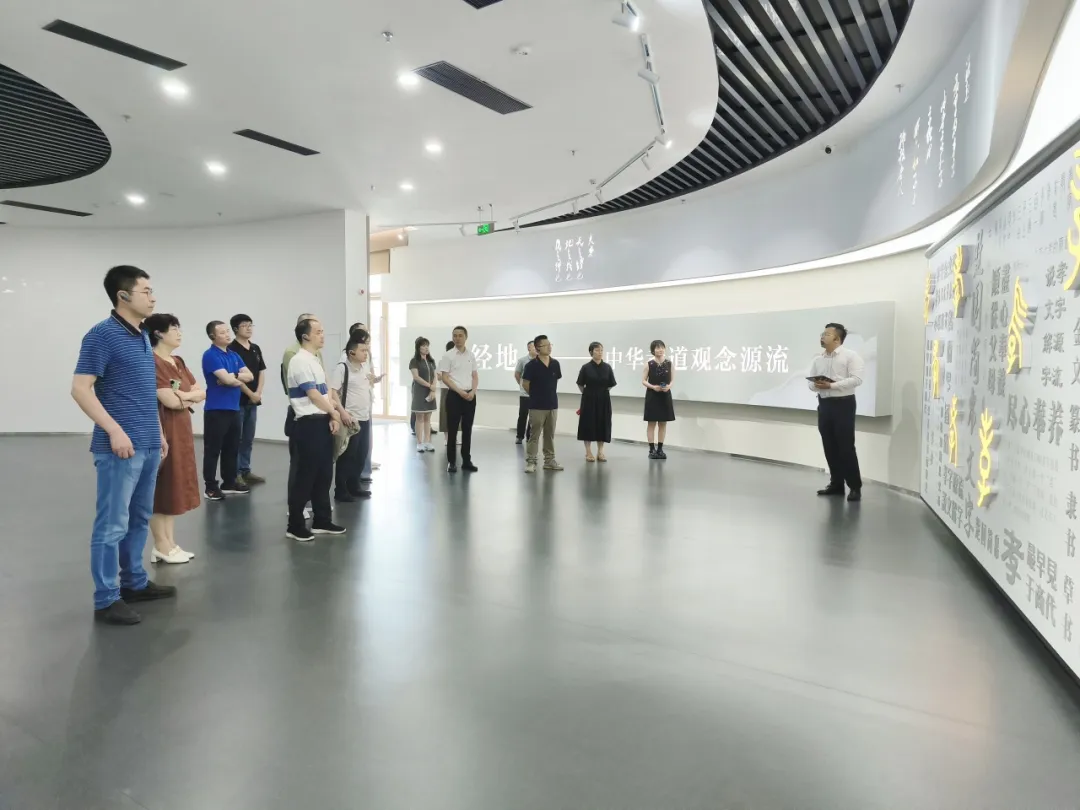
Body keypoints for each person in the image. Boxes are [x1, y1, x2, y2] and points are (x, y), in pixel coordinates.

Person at [70, 265, 176, 625]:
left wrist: (159, 432)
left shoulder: (142, 335)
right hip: (119, 448)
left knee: (139, 518)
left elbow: (145, 392)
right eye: (147, 291)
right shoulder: (101, 335)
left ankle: (134, 582)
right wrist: (114, 430)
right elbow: (80, 389)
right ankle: (106, 598)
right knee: (112, 525)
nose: (153, 298)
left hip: (148, 443)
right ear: (123, 296)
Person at [144, 314, 204, 564]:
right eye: (174, 328)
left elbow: (200, 392)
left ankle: (170, 542)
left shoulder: (178, 361)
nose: (179, 333)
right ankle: (160, 544)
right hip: (163, 428)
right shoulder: (152, 361)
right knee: (162, 486)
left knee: (175, 484)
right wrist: (185, 397)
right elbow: (168, 400)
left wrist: (183, 397)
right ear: (159, 333)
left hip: (181, 428)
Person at [286, 318, 346, 541]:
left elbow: (325, 391)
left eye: (323, 331)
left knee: (323, 474)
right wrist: (334, 413)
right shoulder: (299, 361)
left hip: (321, 421)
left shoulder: (315, 360)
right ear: (305, 336)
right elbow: (312, 394)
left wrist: (330, 415)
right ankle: (295, 525)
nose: (323, 335)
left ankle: (322, 520)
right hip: (307, 424)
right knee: (304, 476)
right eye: (318, 332)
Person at [810, 322, 865, 502]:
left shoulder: (851, 356)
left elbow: (857, 379)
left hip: (843, 405)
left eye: (827, 334)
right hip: (824, 405)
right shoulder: (818, 359)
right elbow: (810, 384)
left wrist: (831, 386)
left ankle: (855, 487)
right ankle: (836, 484)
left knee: (846, 447)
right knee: (829, 446)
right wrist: (817, 385)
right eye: (822, 333)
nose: (822, 336)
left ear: (837, 338)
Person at [202, 321, 253, 500]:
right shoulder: (210, 355)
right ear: (212, 336)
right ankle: (210, 487)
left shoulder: (233, 355)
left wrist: (233, 376)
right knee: (213, 450)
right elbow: (227, 380)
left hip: (233, 408)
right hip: (216, 410)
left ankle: (229, 482)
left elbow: (250, 376)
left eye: (227, 331)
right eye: (222, 332)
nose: (227, 334)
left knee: (232, 448)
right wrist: (232, 379)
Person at [329, 336, 371, 502]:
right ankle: (341, 489)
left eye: (366, 350)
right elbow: (333, 392)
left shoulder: (363, 367)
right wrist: (342, 413)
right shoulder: (342, 368)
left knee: (361, 454)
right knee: (347, 456)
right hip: (350, 419)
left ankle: (354, 486)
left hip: (364, 417)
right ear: (352, 353)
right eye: (363, 350)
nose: (366, 353)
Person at [228, 313, 267, 486]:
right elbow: (234, 377)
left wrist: (258, 392)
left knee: (248, 438)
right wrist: (250, 394)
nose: (249, 328)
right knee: (236, 438)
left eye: (251, 325)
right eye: (245, 325)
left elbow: (261, 371)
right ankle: (235, 473)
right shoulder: (231, 349)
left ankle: (245, 470)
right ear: (236, 329)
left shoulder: (255, 348)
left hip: (254, 400)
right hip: (238, 400)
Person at [438, 326, 479, 473]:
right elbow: (445, 377)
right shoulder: (448, 356)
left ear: (466, 337)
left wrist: (473, 391)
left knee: (467, 429)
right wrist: (460, 392)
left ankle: (466, 460)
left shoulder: (471, 355)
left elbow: (475, 376)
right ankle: (451, 462)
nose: (457, 338)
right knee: (452, 430)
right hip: (454, 396)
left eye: (460, 335)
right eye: (455, 335)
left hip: (470, 396)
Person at [522, 335, 563, 473]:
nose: (549, 347)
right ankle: (531, 461)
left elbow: (554, 381)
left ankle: (549, 460)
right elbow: (525, 384)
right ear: (538, 348)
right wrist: (536, 395)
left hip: (552, 404)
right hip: (536, 405)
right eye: (546, 345)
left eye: (550, 344)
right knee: (534, 434)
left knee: (549, 434)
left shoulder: (555, 364)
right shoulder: (531, 366)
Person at [577, 342, 617, 462]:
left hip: (604, 399)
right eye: (597, 350)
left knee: (603, 423)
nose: (600, 352)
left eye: (601, 350)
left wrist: (602, 392)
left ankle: (600, 451)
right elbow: (580, 384)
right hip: (589, 398)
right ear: (591, 352)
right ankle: (588, 452)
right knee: (588, 424)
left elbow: (611, 384)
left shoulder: (607, 367)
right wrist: (588, 393)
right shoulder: (585, 367)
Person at [643, 339, 675, 459]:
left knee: (663, 423)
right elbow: (643, 381)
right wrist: (653, 387)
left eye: (662, 347)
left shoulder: (669, 363)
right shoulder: (649, 364)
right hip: (652, 395)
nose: (660, 350)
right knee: (651, 423)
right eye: (657, 348)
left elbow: (672, 380)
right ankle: (652, 449)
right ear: (653, 350)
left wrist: (668, 387)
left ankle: (660, 449)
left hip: (665, 396)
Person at [409, 337, 438, 452]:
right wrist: (429, 386)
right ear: (418, 347)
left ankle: (427, 441)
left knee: (428, 418)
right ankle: (419, 443)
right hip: (419, 391)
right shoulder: (414, 361)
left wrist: (433, 389)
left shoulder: (431, 361)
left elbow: (435, 376)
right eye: (423, 345)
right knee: (420, 417)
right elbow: (416, 377)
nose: (426, 348)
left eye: (427, 345)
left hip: (430, 391)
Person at [513, 341, 537, 444]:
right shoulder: (522, 360)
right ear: (528, 348)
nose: (536, 348)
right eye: (533, 346)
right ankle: (519, 436)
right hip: (525, 394)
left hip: (536, 394)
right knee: (523, 415)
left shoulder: (540, 361)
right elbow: (517, 374)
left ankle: (529, 436)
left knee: (533, 417)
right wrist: (522, 385)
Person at [438, 340, 454, 445]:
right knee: (445, 414)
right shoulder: (443, 361)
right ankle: (447, 437)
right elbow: (439, 376)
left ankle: (453, 438)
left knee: (455, 414)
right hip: (445, 389)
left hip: (455, 389)